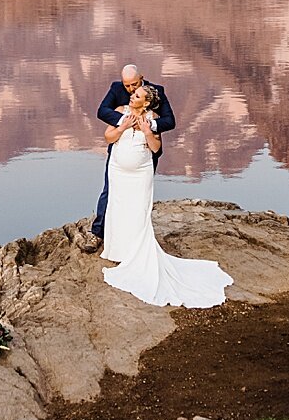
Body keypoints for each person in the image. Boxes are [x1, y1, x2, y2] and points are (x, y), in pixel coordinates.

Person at [98, 82, 232, 307]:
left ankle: (137, 253)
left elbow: (156, 149)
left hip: (140, 174)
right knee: (118, 207)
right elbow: (108, 138)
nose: (131, 97)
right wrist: (122, 128)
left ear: (146, 102)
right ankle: (117, 249)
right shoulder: (121, 111)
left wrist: (148, 131)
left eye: (137, 95)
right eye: (132, 94)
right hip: (118, 170)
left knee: (138, 210)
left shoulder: (152, 120)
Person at [83, 63, 175, 251]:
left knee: (139, 196)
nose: (131, 90)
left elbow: (169, 121)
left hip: (144, 155)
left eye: (134, 85)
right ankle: (99, 233)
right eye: (128, 86)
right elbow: (102, 111)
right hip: (119, 152)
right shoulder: (116, 90)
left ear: (142, 77)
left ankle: (138, 239)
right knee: (109, 192)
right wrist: (123, 123)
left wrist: (148, 126)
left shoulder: (155, 92)